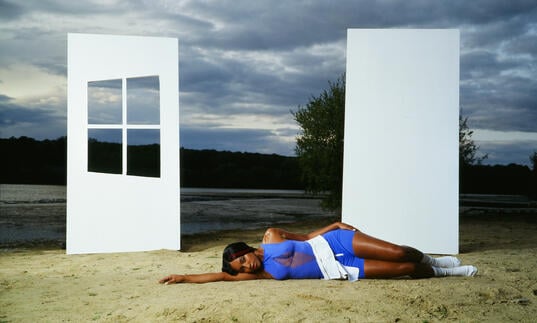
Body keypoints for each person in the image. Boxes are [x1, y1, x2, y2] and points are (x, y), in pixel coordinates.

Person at [159, 221, 477, 284]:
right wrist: (184, 277)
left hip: (334, 243)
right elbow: (216, 276)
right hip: (337, 270)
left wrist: (333, 225)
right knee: (402, 270)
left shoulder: (271, 236)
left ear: (245, 249)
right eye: (240, 267)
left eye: (242, 259)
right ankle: (446, 272)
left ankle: (433, 259)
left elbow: (307, 236)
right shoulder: (260, 275)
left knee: (398, 251)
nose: (246, 266)